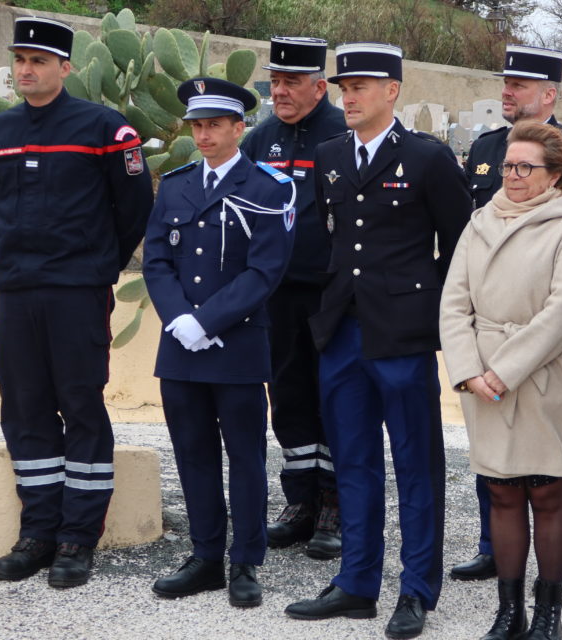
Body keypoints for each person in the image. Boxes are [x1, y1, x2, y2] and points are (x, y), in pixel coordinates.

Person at [283, 42, 472, 640]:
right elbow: (337, 236)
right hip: (342, 331)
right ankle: (357, 584)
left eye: (361, 85)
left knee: (417, 465)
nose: (349, 95)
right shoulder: (331, 153)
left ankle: (416, 589)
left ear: (392, 90)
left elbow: (459, 246)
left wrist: (421, 303)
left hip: (403, 334)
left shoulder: (427, 158)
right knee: (354, 462)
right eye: (344, 86)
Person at [0, 16, 153, 589]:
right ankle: (38, 533)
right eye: (20, 60)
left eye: (39, 61)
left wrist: (99, 264)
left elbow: (132, 207)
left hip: (78, 291)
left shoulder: (104, 127)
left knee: (80, 406)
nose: (27, 70)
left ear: (65, 68)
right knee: (25, 408)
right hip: (18, 292)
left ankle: (78, 539)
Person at [441, 122, 562, 640]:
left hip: (544, 376)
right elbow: (453, 302)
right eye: (510, 165)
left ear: (553, 176)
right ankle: (508, 613)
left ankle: (548, 614)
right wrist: (468, 370)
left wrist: (502, 372)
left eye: (526, 166)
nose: (513, 174)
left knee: (548, 492)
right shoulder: (479, 221)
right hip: (482, 379)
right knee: (502, 492)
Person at [144, 77, 296, 608]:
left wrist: (206, 321)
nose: (204, 134)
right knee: (192, 453)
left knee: (246, 457)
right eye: (198, 125)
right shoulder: (178, 184)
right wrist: (179, 318)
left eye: (214, 125)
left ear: (238, 128)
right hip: (180, 346)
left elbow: (265, 271)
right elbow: (158, 259)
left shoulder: (268, 187)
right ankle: (206, 555)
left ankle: (245, 560)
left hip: (236, 346)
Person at [240, 35, 349, 560]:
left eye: (292, 82)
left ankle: (335, 504)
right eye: (275, 81)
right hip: (276, 296)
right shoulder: (262, 140)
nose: (279, 91)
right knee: (287, 395)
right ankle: (300, 500)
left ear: (320, 86)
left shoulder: (342, 133)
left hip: (331, 295)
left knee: (335, 396)